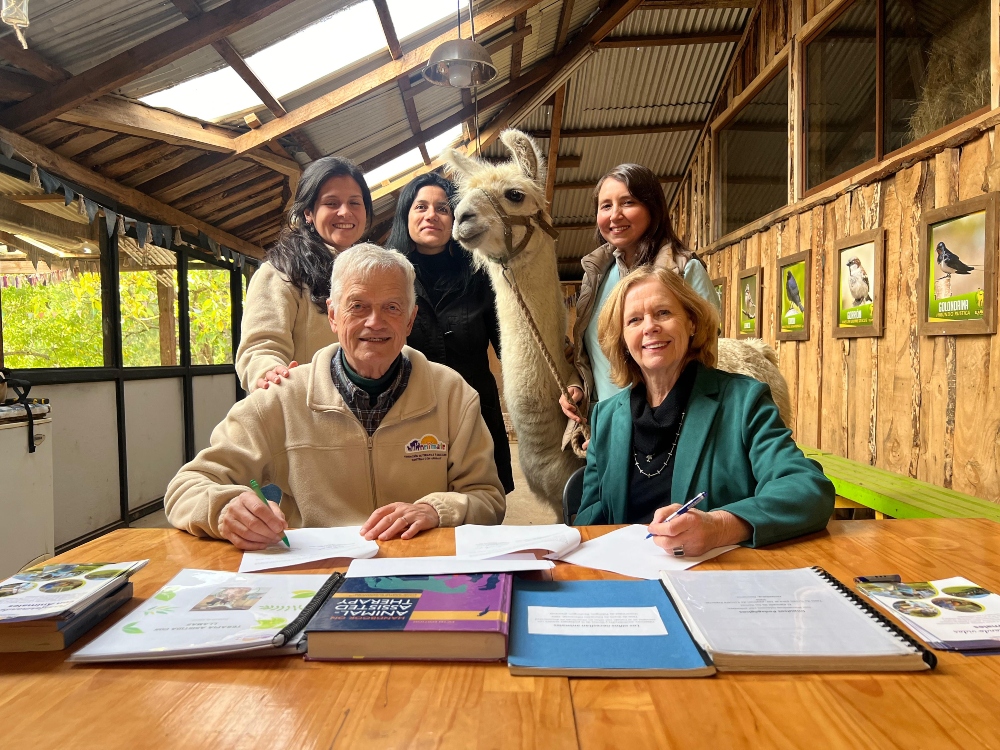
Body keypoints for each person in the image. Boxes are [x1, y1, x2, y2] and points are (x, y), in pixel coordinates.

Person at [166, 244, 506, 550]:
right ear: (332, 315)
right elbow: (186, 486)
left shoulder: (451, 393)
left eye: (392, 307)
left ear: (410, 320)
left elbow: (488, 498)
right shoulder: (284, 398)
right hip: (316, 576)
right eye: (358, 306)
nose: (375, 322)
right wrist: (224, 508)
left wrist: (435, 509)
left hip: (423, 571)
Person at [573, 265, 833, 556]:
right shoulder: (605, 418)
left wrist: (720, 527)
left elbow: (808, 489)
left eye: (663, 313)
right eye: (634, 320)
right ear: (622, 339)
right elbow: (589, 523)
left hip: (715, 582)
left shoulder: (743, 401)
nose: (650, 327)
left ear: (692, 322)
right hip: (625, 581)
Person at [560, 163, 720, 424]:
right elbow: (592, 355)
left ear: (652, 207)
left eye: (628, 202)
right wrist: (577, 384)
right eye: (606, 206)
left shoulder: (684, 270)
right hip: (609, 423)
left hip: (667, 426)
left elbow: (705, 357)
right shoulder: (596, 275)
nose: (615, 215)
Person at [385, 172, 514, 493]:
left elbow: (510, 348)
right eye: (421, 207)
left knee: (479, 512)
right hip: (407, 417)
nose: (432, 215)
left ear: (455, 218)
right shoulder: (385, 276)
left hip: (475, 415)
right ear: (406, 215)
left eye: (443, 208)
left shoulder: (482, 274)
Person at [235, 156, 373, 393]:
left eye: (354, 203)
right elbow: (260, 347)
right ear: (308, 212)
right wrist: (269, 372)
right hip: (308, 414)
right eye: (331, 203)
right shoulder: (281, 272)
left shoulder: (373, 272)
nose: (345, 212)